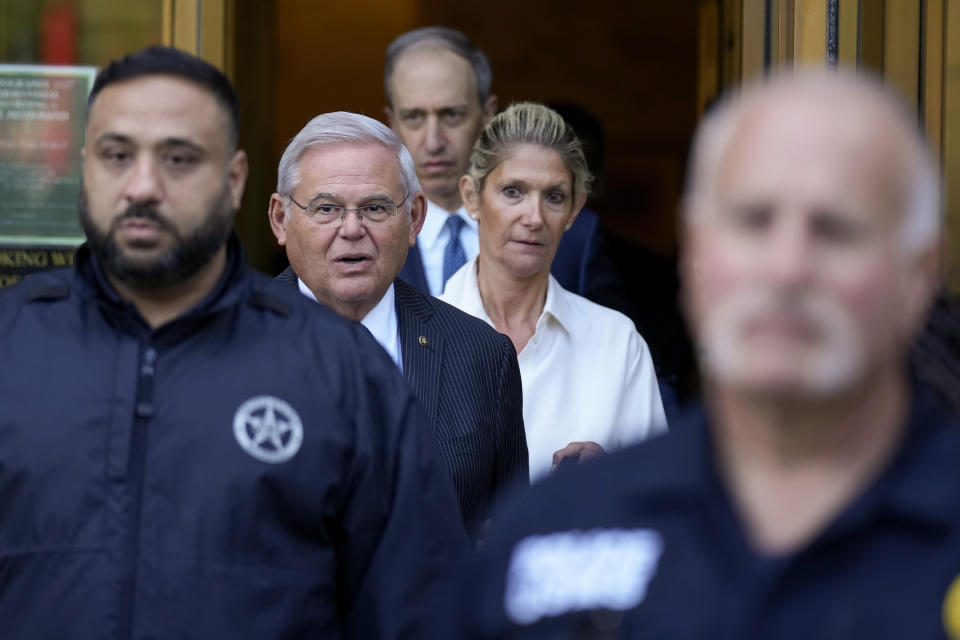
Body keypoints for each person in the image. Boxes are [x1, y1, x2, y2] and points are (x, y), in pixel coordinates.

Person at [457, 72, 960, 639]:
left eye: (836, 229)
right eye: (752, 221)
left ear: (920, 272)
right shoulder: (549, 536)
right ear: (695, 251)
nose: (787, 267)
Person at [0, 45, 469, 639]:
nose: (143, 186)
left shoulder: (342, 373)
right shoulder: (10, 348)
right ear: (87, 165)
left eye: (179, 159)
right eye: (118, 155)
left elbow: (418, 615)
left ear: (234, 180)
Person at [267, 111, 528, 540]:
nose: (351, 229)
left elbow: (508, 537)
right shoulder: (223, 345)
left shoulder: (481, 355)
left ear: (415, 218)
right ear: (281, 219)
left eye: (375, 208)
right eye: (326, 208)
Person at [439, 102, 666, 482]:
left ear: (575, 209)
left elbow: (659, 502)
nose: (534, 217)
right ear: (472, 198)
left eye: (554, 197)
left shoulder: (616, 342)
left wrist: (611, 475)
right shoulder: (415, 339)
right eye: (513, 191)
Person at [384, 26, 613, 300]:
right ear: (392, 123)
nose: (433, 141)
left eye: (452, 115)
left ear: (488, 113)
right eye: (413, 117)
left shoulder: (576, 237)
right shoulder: (370, 233)